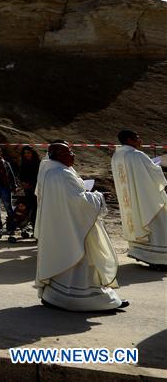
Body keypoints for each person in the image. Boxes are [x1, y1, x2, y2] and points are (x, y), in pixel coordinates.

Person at [35, 143, 127, 311]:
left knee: (64, 259)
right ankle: (86, 299)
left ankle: (55, 296)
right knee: (79, 259)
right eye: (69, 151)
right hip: (73, 227)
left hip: (61, 226)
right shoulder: (62, 173)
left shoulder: (50, 171)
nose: (73, 154)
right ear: (57, 154)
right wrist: (99, 196)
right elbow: (79, 201)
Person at [111, 130, 167, 270]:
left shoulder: (117, 156)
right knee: (158, 224)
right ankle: (159, 259)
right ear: (130, 140)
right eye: (137, 138)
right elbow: (154, 175)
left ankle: (141, 253)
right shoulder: (137, 155)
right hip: (146, 199)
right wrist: (158, 166)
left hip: (130, 199)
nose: (140, 140)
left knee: (136, 220)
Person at [18, 145, 41, 237]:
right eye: (25, 153)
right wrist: (23, 183)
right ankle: (35, 231)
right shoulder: (24, 163)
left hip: (38, 190)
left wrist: (31, 183)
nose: (27, 155)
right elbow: (21, 176)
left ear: (32, 153)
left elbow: (40, 177)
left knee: (37, 211)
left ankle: (38, 232)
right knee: (31, 211)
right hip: (28, 191)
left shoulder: (38, 163)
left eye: (28, 153)